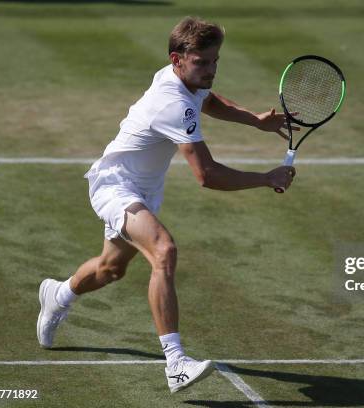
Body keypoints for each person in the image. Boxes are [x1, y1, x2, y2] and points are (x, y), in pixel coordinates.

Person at [36, 16, 296, 393]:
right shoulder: (171, 104)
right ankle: (175, 362)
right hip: (114, 185)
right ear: (177, 59)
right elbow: (206, 175)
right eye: (201, 62)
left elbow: (206, 97)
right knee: (164, 250)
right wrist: (265, 178)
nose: (211, 70)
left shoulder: (181, 79)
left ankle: (57, 295)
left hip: (144, 189)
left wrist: (254, 120)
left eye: (215, 61)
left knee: (111, 269)